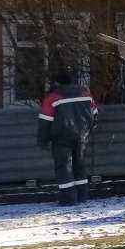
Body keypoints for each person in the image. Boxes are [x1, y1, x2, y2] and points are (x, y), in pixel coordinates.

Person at [37, 70, 97, 205]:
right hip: (82, 136)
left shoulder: (53, 97)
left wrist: (42, 140)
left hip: (61, 138)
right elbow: (95, 113)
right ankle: (82, 195)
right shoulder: (85, 93)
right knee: (79, 165)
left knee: (63, 167)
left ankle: (68, 199)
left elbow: (45, 121)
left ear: (57, 82)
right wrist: (88, 130)